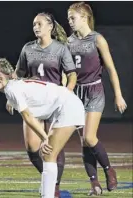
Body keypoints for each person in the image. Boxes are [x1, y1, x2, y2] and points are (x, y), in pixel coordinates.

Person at [0, 58, 85, 198]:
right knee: (47, 155)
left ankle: (49, 195)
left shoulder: (11, 89)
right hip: (65, 105)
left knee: (48, 154)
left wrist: (45, 138)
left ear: (1, 79)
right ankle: (48, 194)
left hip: (69, 106)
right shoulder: (13, 86)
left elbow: (28, 117)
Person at [7, 12, 77, 197]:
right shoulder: (27, 49)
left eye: (39, 24)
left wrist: (67, 94)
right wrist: (10, 97)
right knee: (32, 147)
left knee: (54, 146)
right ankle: (50, 179)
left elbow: (72, 75)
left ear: (50, 27)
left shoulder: (61, 49)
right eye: (33, 24)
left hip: (54, 102)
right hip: (34, 103)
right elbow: (18, 73)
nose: (36, 27)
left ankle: (53, 187)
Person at [67, 2, 127, 195]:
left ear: (84, 17)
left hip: (94, 91)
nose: (70, 21)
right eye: (68, 18)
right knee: (83, 142)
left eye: (72, 17)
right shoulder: (68, 42)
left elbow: (111, 69)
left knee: (89, 137)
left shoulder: (97, 39)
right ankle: (95, 185)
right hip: (76, 94)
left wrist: (118, 95)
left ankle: (109, 169)